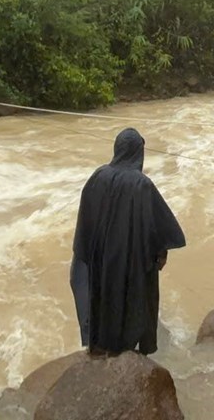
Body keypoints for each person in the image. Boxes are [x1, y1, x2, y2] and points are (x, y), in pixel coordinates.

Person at [70, 128, 186, 354]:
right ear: (138, 153)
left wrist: (87, 251)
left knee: (101, 296)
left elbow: (86, 219)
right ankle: (126, 350)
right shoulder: (141, 184)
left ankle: (98, 346)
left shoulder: (97, 176)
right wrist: (161, 254)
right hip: (128, 260)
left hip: (100, 256)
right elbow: (161, 227)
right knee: (129, 301)